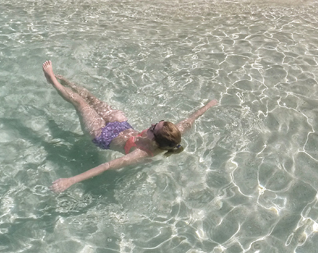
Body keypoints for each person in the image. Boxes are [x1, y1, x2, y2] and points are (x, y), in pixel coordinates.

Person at [42, 60, 218, 193]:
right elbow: (189, 121)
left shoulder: (139, 154)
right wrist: (209, 105)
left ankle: (53, 81)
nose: (150, 125)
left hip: (102, 135)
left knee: (81, 103)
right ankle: (67, 83)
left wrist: (70, 181)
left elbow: (106, 166)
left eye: (152, 129)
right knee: (93, 99)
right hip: (121, 126)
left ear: (155, 142)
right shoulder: (171, 136)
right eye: (156, 123)